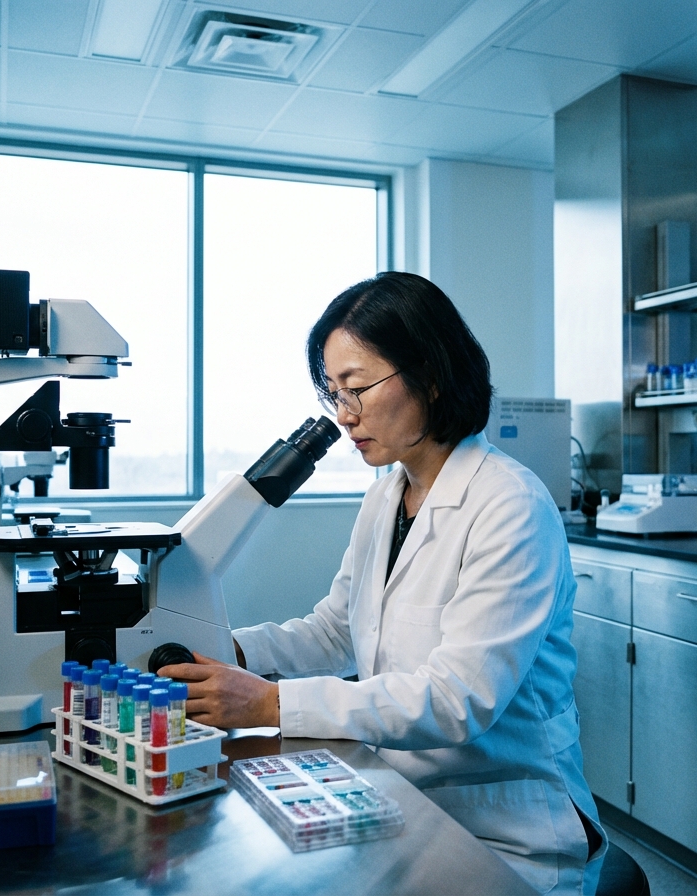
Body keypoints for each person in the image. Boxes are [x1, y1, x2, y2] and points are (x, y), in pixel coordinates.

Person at [160, 272, 605, 893]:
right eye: (333, 394)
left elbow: (457, 700)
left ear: (428, 373)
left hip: (509, 831)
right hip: (403, 800)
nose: (344, 416)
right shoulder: (388, 494)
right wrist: (226, 651)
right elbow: (335, 629)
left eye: (357, 388)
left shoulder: (510, 504)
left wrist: (270, 704)